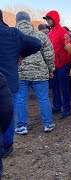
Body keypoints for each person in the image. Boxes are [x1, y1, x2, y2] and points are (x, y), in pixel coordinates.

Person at [0, 9, 42, 171]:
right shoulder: (12, 34)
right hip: (9, 81)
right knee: (8, 113)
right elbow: (36, 44)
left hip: (9, 81)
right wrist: (21, 54)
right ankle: (7, 145)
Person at [15, 11, 55, 134]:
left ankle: (22, 126)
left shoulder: (12, 35)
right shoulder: (40, 35)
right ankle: (48, 124)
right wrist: (50, 69)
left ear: (17, 21)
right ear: (29, 20)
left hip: (20, 73)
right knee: (43, 98)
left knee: (21, 99)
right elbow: (49, 54)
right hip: (40, 72)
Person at [43, 10, 71, 119]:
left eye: (49, 19)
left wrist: (66, 62)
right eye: (46, 19)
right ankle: (57, 106)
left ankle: (66, 108)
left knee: (64, 88)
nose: (47, 21)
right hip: (53, 66)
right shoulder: (50, 34)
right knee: (55, 88)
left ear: (54, 19)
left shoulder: (63, 32)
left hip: (62, 66)